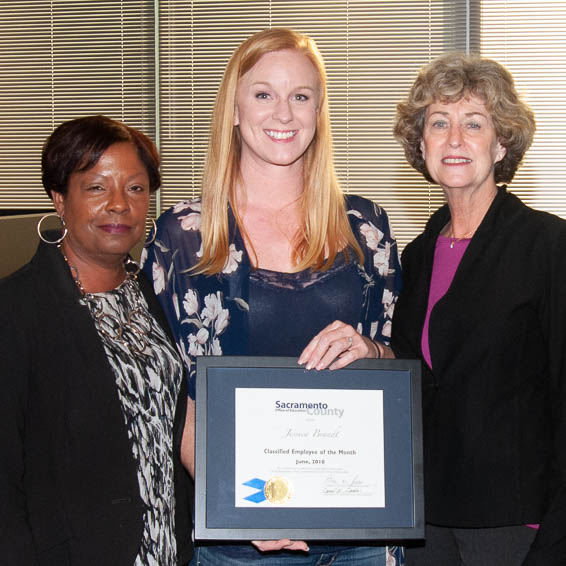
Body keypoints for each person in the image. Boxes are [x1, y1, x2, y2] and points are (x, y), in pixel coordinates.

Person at [143, 28, 403, 566]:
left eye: (301, 96)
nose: (283, 114)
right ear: (234, 110)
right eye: (264, 94)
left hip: (360, 528)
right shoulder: (182, 236)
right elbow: (177, 401)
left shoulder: (366, 227)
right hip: (244, 538)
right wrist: (239, 507)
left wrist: (373, 353)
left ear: (319, 111)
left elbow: (392, 369)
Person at [391, 52, 566, 565]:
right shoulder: (418, 254)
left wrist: (555, 532)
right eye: (439, 123)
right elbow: (415, 377)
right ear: (420, 143)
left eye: (474, 123)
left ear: (502, 141)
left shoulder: (547, 245)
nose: (454, 139)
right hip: (427, 519)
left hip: (515, 524)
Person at [0, 115, 194, 565]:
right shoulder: (17, 309)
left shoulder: (149, 293)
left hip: (168, 551)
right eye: (96, 187)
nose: (119, 205)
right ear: (60, 199)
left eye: (136, 188)